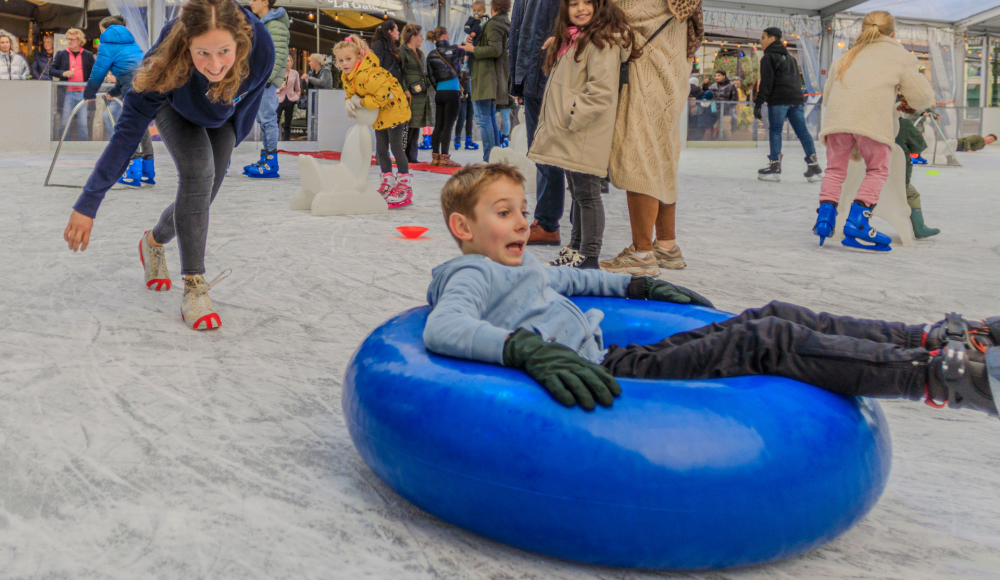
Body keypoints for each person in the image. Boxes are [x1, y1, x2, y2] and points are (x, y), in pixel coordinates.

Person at [424, 163, 999, 420]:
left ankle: (928, 337)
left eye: (523, 210)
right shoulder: (472, 274)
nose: (524, 223)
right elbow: (444, 328)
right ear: (463, 228)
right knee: (768, 338)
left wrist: (642, 282)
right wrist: (522, 349)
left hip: (618, 358)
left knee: (773, 313)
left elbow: (579, 278)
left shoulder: (526, 267)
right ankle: (941, 377)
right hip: (612, 375)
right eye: (504, 213)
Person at [63, 0, 274, 330]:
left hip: (224, 116)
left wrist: (234, 134)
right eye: (202, 52)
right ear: (186, 43)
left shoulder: (261, 49)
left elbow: (251, 100)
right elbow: (126, 135)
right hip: (176, 108)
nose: (215, 65)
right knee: (198, 173)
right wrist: (88, 202)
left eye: (224, 51)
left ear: (241, 41)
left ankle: (152, 243)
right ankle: (194, 285)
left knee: (202, 197)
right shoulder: (165, 61)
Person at [527, 0, 637, 269]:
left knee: (587, 194)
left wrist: (572, 118)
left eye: (587, 2)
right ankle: (575, 247)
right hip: (571, 131)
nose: (581, 8)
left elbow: (601, 91)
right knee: (576, 192)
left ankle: (588, 255)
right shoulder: (576, 39)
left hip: (584, 131)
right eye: (574, 3)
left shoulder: (603, 41)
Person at [812, 11, 933, 252]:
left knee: (835, 170)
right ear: (893, 33)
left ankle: (824, 219)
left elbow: (827, 96)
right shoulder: (899, 56)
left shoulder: (847, 55)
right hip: (871, 121)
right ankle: (858, 222)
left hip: (837, 120)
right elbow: (922, 98)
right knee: (878, 169)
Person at [599, 0, 703, 275]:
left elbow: (622, 18)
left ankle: (642, 252)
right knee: (662, 160)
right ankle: (667, 246)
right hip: (672, 80)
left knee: (639, 156)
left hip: (647, 77)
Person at [509, 0, 566, 246]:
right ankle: (546, 223)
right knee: (541, 154)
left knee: (559, 156)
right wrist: (518, 80)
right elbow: (519, 35)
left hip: (556, 77)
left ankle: (554, 223)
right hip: (533, 80)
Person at [335, 35, 413, 208]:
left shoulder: (369, 74)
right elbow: (350, 93)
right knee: (381, 148)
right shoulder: (348, 76)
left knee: (396, 147)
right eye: (341, 60)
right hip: (378, 114)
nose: (344, 63)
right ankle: (388, 182)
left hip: (393, 110)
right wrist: (348, 101)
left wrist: (360, 102)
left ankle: (404, 185)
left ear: (359, 57)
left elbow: (382, 96)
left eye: (348, 59)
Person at [84, 16, 155, 187]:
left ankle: (133, 172)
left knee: (129, 128)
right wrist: (113, 92)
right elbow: (129, 71)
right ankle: (147, 170)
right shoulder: (131, 43)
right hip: (145, 86)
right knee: (141, 126)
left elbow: (98, 71)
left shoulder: (108, 45)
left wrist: (89, 92)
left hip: (133, 91)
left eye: (102, 31)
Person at [753, 27, 821, 183]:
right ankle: (814, 165)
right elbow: (797, 81)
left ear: (772, 39)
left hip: (779, 100)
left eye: (763, 37)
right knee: (802, 132)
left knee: (776, 130)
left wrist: (758, 102)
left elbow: (766, 83)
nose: (760, 41)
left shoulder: (768, 57)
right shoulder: (791, 58)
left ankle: (774, 166)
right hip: (796, 100)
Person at [459, 0, 510, 163]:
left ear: (493, 7)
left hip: (485, 77)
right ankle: (494, 156)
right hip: (491, 76)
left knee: (483, 119)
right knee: (489, 117)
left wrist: (472, 49)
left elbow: (495, 49)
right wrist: (474, 43)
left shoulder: (494, 24)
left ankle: (490, 158)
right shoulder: (503, 22)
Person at [242, 0, 288, 179]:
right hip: (259, 79)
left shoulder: (275, 25)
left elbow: (278, 54)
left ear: (265, 2)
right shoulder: (263, 23)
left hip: (265, 81)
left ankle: (271, 162)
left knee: (268, 120)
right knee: (263, 120)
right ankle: (265, 158)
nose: (251, 3)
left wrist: (266, 79)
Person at [895, 96, 939, 239]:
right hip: (897, 178)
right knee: (912, 194)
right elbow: (919, 146)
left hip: (869, 177)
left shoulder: (873, 125)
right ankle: (919, 228)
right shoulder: (903, 124)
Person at [426, 26, 463, 168]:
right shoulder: (454, 49)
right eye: (447, 34)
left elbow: (431, 76)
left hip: (440, 92)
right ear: (443, 36)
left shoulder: (431, 54)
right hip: (452, 90)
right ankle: (445, 158)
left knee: (438, 125)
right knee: (448, 126)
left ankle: (435, 157)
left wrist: (439, 89)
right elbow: (460, 68)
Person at [51, 29, 95, 141]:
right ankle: (63, 148)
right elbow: (51, 70)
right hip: (67, 94)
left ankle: (82, 148)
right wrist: (63, 73)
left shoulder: (88, 55)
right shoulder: (61, 54)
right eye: (68, 39)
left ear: (79, 41)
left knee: (83, 124)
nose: (69, 41)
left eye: (72, 39)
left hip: (83, 93)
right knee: (64, 123)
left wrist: (92, 92)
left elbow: (93, 74)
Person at [399, 24, 432, 165]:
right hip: (409, 93)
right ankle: (404, 155)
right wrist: (405, 89)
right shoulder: (402, 51)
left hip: (420, 92)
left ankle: (412, 155)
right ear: (413, 37)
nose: (422, 39)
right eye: (420, 36)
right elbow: (398, 73)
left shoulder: (420, 53)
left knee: (416, 125)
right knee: (408, 125)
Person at [453, 62, 477, 151]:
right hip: (463, 93)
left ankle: (468, 139)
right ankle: (457, 138)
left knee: (470, 118)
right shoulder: (460, 59)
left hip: (472, 93)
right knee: (462, 117)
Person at [276, 54, 300, 140]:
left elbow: (298, 88)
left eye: (288, 61)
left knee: (288, 123)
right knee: (276, 121)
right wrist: (279, 89)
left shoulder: (295, 73)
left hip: (290, 99)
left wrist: (296, 96)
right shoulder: (278, 72)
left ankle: (286, 140)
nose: (286, 63)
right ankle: (275, 140)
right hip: (279, 99)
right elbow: (272, 87)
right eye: (285, 61)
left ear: (291, 63)